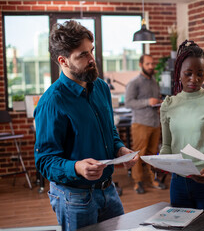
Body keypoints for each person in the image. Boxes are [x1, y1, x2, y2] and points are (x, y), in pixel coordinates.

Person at [34, 20, 138, 231]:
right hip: (74, 197)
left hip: (108, 190)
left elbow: (109, 130)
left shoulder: (101, 87)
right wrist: (76, 167)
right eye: (82, 55)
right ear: (63, 61)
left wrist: (120, 148)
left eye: (91, 50)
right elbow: (44, 160)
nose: (92, 59)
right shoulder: (52, 102)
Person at [159, 40, 204, 213]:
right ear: (179, 74)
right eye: (188, 73)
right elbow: (167, 146)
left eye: (200, 73)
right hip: (178, 183)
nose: (195, 79)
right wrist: (160, 162)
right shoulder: (169, 105)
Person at [125, 54, 166, 194]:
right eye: (147, 64)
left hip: (155, 122)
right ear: (140, 64)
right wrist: (147, 102)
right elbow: (128, 102)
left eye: (152, 64)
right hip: (141, 123)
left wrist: (159, 103)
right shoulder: (134, 82)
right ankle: (138, 182)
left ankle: (152, 179)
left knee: (152, 155)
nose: (151, 66)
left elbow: (156, 99)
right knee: (138, 154)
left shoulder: (154, 81)